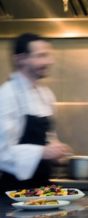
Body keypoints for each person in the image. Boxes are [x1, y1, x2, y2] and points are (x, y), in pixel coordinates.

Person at [0, 33, 72, 193]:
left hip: (41, 188)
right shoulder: (7, 95)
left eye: (48, 55)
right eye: (41, 56)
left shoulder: (45, 94)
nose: (49, 61)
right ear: (20, 59)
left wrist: (56, 149)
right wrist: (42, 152)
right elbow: (2, 152)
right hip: (13, 191)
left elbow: (48, 137)